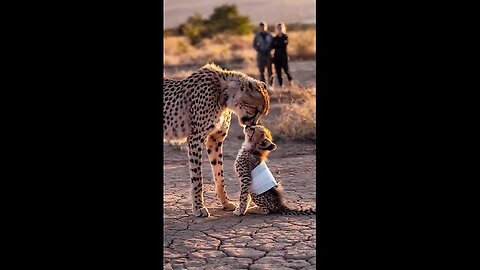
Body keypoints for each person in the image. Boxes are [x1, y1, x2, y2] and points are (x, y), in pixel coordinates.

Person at [271, 22, 293, 88]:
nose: (279, 29)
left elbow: (284, 45)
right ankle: (281, 85)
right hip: (276, 57)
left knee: (286, 70)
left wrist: (277, 45)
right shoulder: (275, 38)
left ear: (283, 28)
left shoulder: (285, 36)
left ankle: (290, 82)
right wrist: (277, 45)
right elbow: (272, 46)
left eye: (281, 27)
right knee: (278, 72)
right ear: (276, 28)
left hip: (283, 56)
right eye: (278, 28)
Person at [253, 22, 274, 88]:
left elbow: (273, 44)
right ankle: (263, 85)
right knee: (261, 71)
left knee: (270, 70)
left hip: (268, 54)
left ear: (266, 27)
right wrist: (259, 50)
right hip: (260, 55)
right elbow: (254, 45)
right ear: (259, 28)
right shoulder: (257, 36)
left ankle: (271, 85)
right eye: (261, 27)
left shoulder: (270, 35)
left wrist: (270, 50)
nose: (263, 28)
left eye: (264, 26)